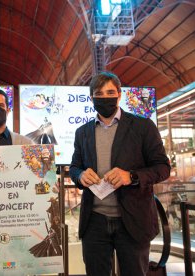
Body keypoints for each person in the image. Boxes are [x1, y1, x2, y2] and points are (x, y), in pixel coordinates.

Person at [69, 72, 170, 276]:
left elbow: (162, 168)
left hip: (132, 221)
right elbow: (74, 167)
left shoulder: (143, 127)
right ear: (91, 98)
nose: (105, 97)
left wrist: (130, 176)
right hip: (94, 221)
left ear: (119, 95)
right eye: (99, 93)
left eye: (110, 92)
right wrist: (80, 176)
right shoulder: (83, 132)